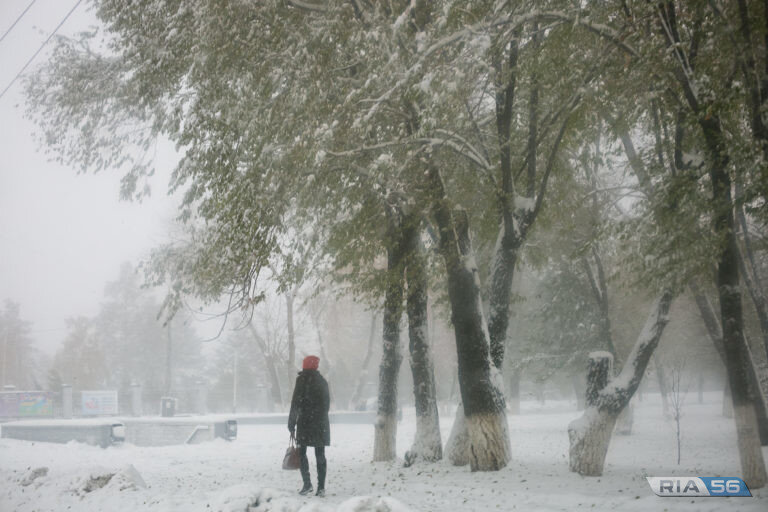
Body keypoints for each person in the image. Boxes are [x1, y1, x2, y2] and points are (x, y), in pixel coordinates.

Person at [288, 355, 330, 497]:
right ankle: (321, 488)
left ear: (305, 365)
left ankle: (307, 484)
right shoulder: (323, 381)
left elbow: (295, 403)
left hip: (305, 423)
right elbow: (327, 405)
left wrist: (291, 422)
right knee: (320, 454)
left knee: (302, 453)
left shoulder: (302, 380)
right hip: (320, 424)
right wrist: (319, 416)